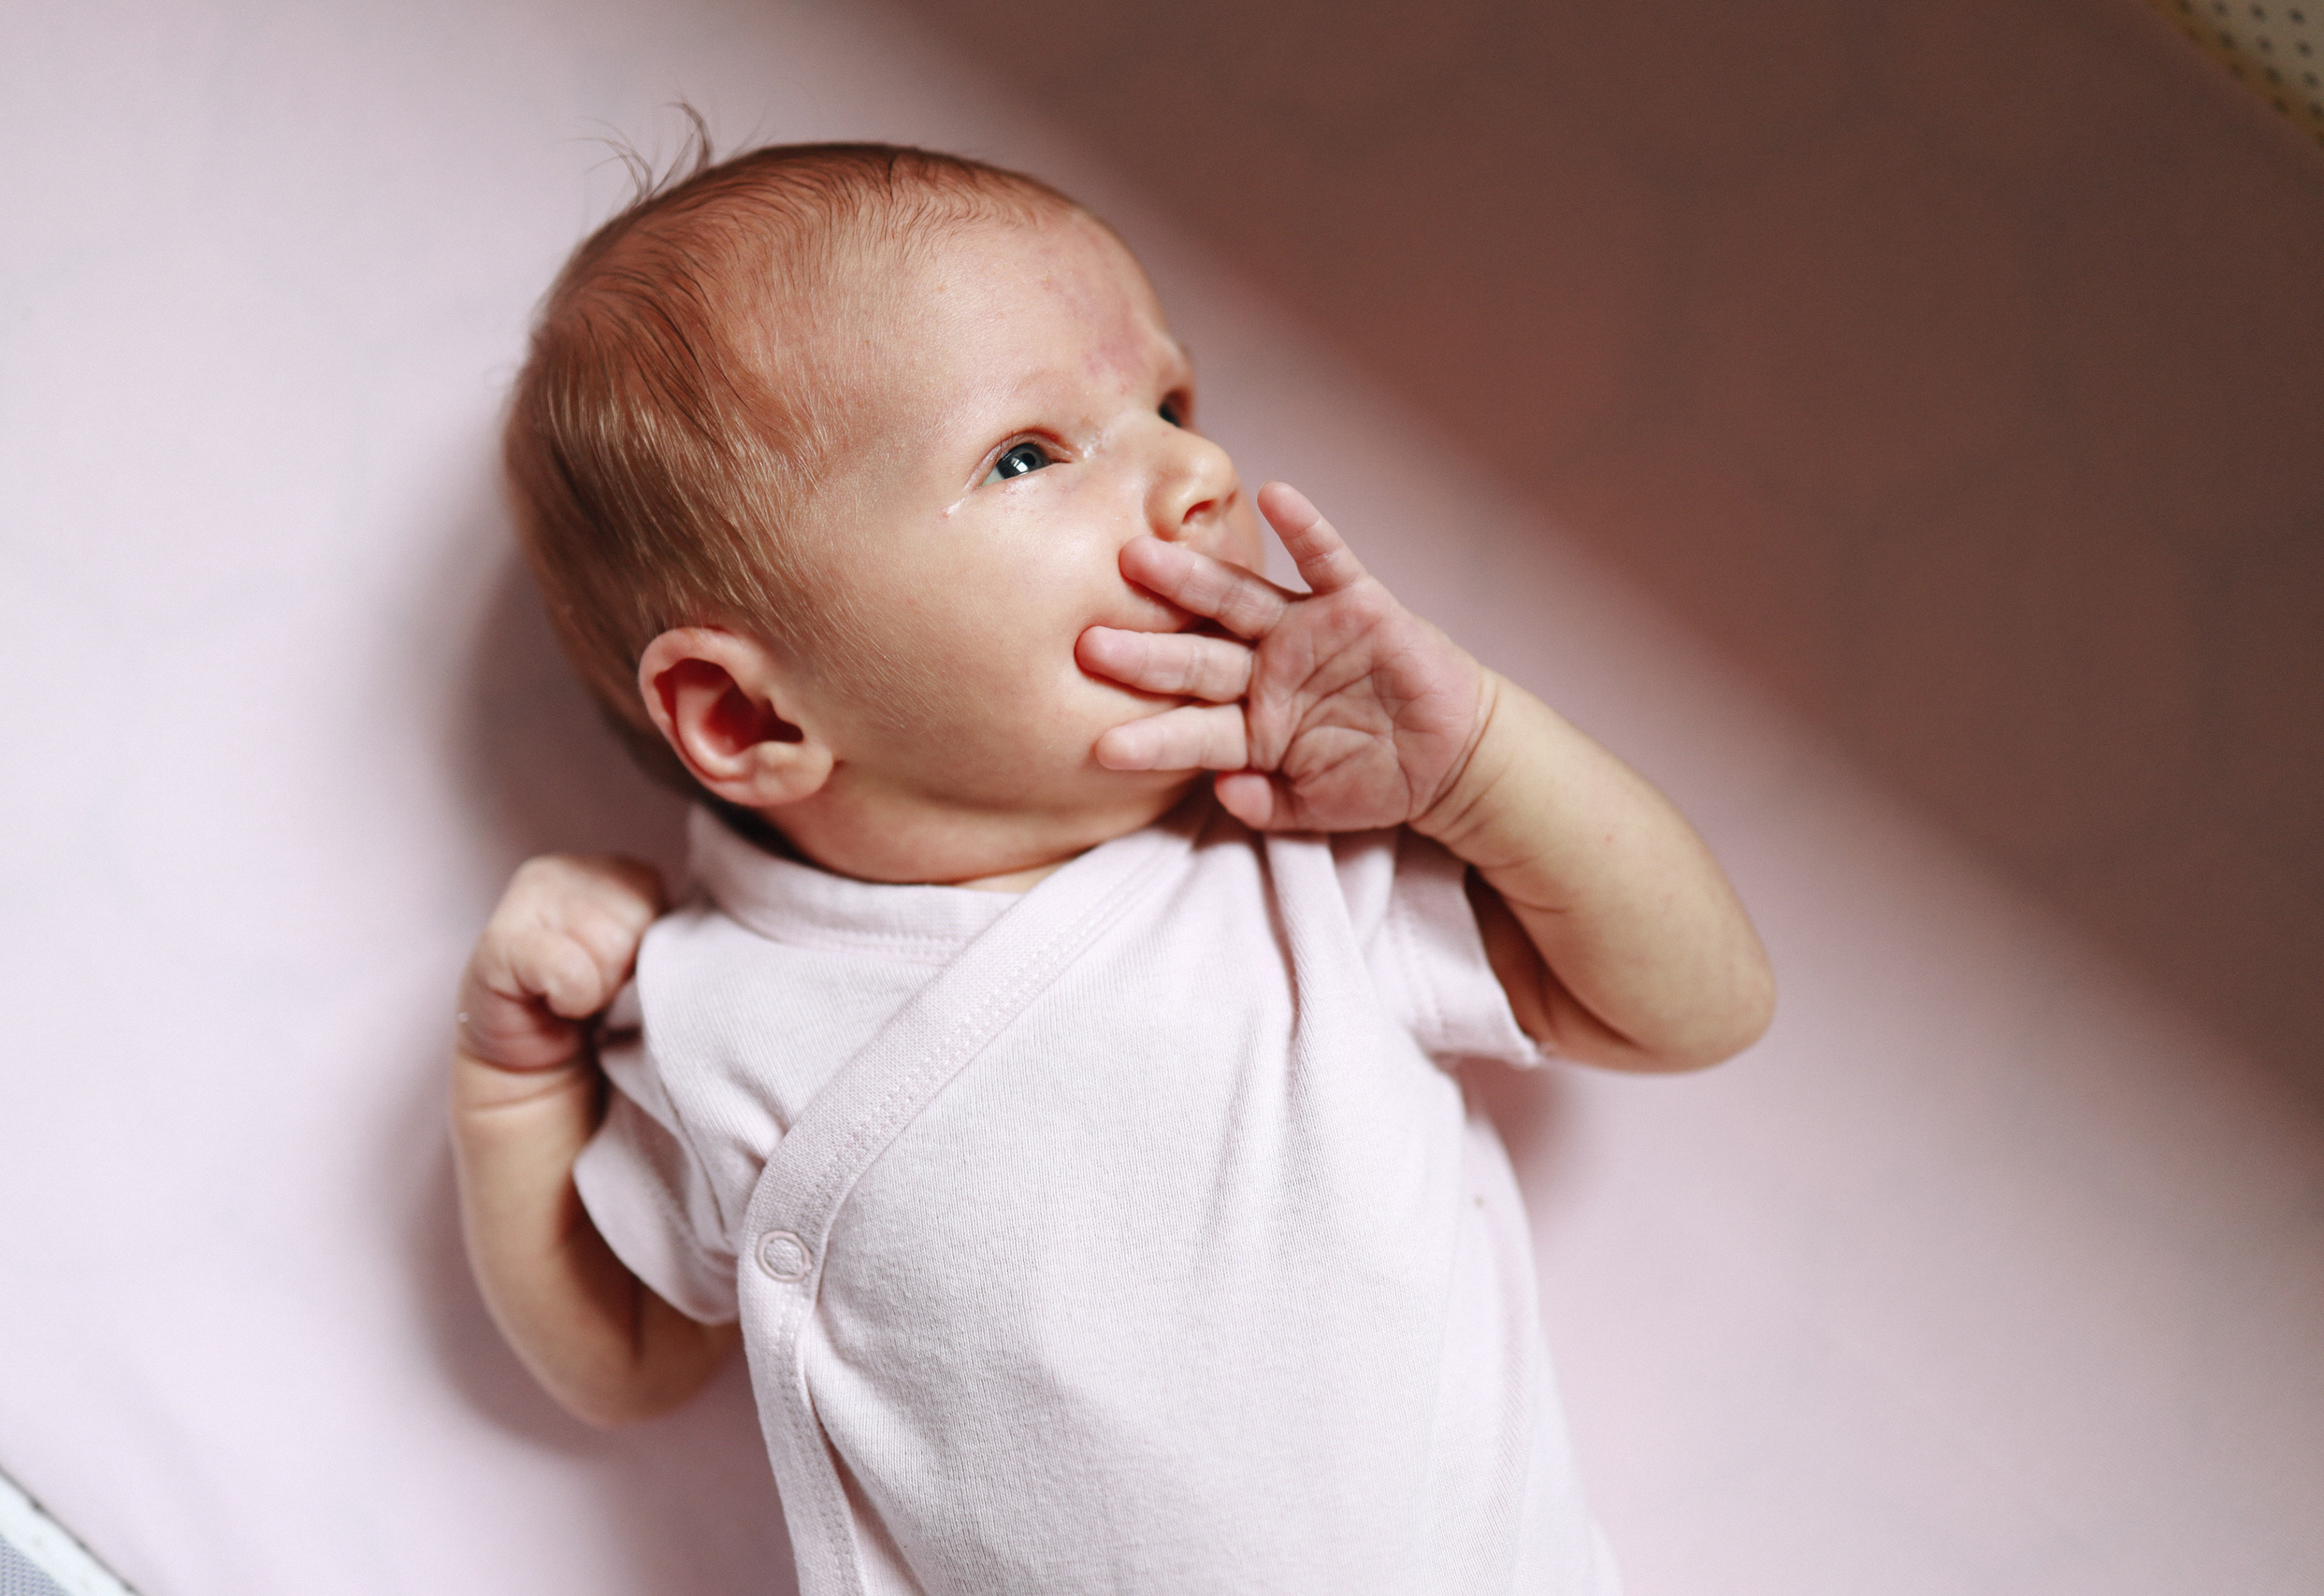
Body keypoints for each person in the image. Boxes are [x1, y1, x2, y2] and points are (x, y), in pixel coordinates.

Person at [451, 137, 1772, 1595]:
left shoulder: (1290, 868)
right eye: (1029, 454)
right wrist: (515, 1089)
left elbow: (1698, 1005)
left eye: (1172, 405)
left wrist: (1480, 768)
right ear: (748, 715)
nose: (1202, 470)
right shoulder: (725, 1010)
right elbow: (628, 1355)